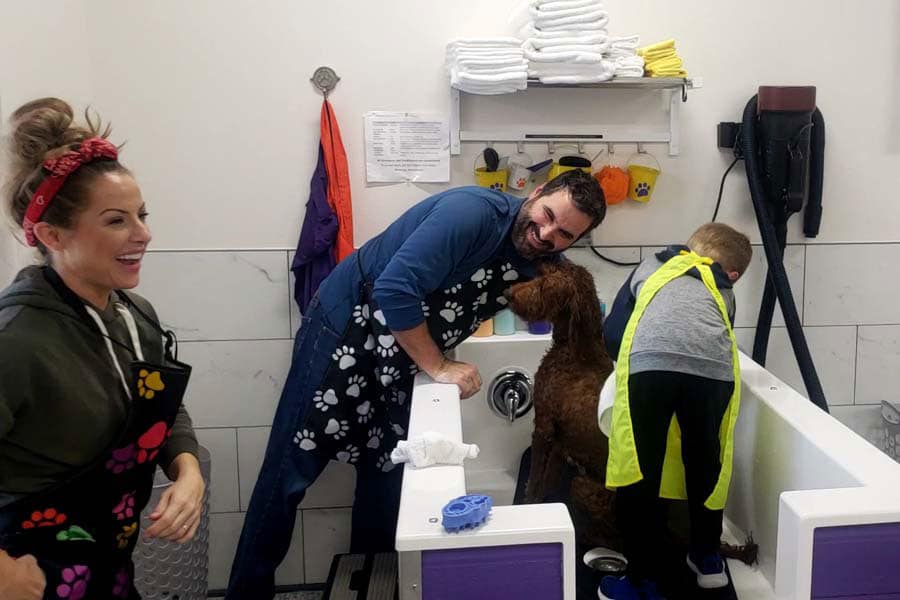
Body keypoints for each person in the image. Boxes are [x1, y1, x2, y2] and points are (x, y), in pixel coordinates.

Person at [227, 170, 607, 598]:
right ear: (535, 193)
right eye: (548, 215)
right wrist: (440, 366)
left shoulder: (542, 260)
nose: (547, 233)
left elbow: (576, 306)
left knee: (385, 473)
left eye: (564, 234)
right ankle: (246, 593)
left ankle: (370, 581)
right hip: (346, 334)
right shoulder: (472, 214)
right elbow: (395, 287)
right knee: (289, 471)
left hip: (401, 354)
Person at [0, 98, 203, 600]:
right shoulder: (17, 340)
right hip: (32, 574)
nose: (144, 234)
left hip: (109, 567)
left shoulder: (135, 316)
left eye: (142, 214)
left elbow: (161, 408)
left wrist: (188, 470)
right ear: (51, 234)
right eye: (116, 220)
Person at [599, 223, 752, 600]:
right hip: (713, 374)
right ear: (732, 274)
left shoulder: (653, 264)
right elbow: (722, 331)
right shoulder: (725, 290)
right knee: (705, 463)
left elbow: (616, 331)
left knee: (640, 470)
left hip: (649, 367)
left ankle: (639, 582)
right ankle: (707, 560)